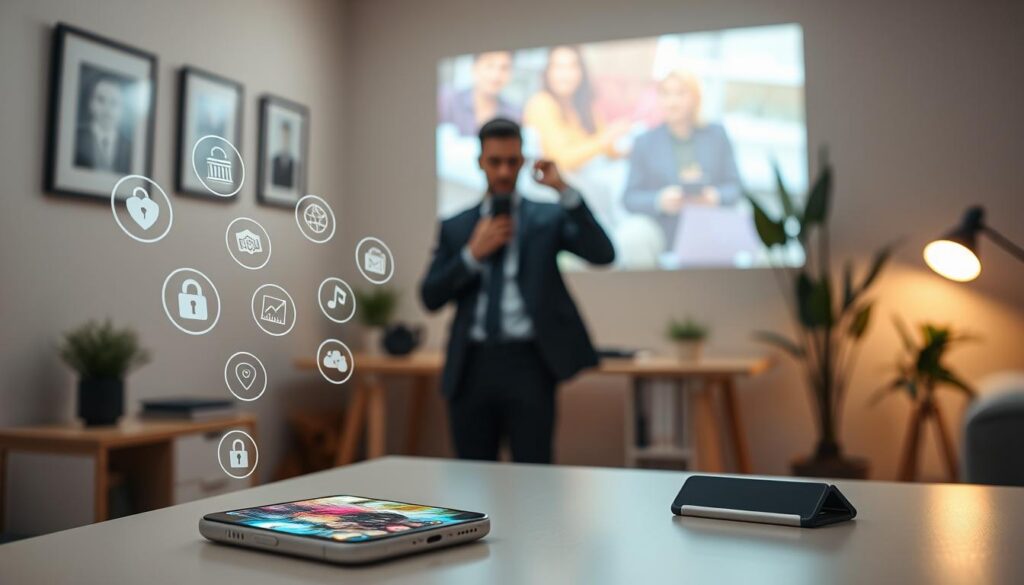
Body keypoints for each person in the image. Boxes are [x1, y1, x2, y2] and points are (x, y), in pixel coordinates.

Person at [420, 118, 615, 464]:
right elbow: (430, 296)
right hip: (471, 365)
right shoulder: (458, 226)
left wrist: (564, 190)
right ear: (480, 162)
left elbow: (603, 254)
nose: (504, 171)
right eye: (495, 162)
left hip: (529, 363)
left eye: (512, 161)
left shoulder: (547, 217)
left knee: (534, 475)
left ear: (523, 161)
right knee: (471, 479)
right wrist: (470, 256)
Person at [623, 69, 742, 246]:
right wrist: (659, 201)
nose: (672, 102)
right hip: (664, 226)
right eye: (666, 94)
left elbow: (735, 187)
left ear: (695, 98)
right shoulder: (644, 142)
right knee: (633, 234)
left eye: (680, 94)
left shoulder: (716, 135)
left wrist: (715, 197)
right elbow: (630, 197)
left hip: (709, 223)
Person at [523, 45, 629, 173]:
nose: (565, 74)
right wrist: (604, 140)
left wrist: (619, 138)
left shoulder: (583, 105)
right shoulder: (541, 103)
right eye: (559, 67)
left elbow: (609, 150)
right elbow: (561, 160)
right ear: (547, 72)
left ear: (581, 72)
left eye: (572, 67)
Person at [439, 51, 521, 136]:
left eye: (504, 68)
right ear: (474, 68)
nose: (496, 75)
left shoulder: (514, 113)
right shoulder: (448, 101)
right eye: (490, 66)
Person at [74, 76, 133, 173]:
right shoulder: (76, 138)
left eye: (114, 103)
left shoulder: (130, 148)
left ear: (122, 110)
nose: (107, 109)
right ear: (91, 104)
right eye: (101, 100)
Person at [271, 120, 296, 188]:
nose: (285, 140)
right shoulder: (274, 161)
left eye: (287, 137)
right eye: (283, 137)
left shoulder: (293, 163)